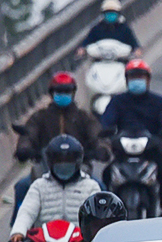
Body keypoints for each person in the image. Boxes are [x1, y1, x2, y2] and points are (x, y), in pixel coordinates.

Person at [11, 135, 104, 242]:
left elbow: (98, 218)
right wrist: (18, 232)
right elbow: (27, 212)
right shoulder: (39, 186)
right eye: (59, 160)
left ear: (78, 161)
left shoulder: (90, 186)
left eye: (68, 160)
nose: (64, 164)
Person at [98, 60, 162, 213]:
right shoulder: (117, 101)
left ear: (148, 79)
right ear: (127, 80)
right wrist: (105, 132)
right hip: (124, 151)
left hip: (151, 150)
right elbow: (106, 121)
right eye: (133, 77)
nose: (137, 80)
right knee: (106, 174)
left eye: (140, 77)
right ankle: (107, 210)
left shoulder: (160, 102)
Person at [14, 72, 102, 207]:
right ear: (51, 93)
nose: (63, 94)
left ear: (73, 93)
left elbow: (96, 135)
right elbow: (29, 134)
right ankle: (17, 226)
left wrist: (101, 149)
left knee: (102, 189)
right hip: (46, 169)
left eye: (66, 91)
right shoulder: (40, 117)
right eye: (59, 91)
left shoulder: (84, 117)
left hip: (80, 169)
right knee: (21, 187)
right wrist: (24, 148)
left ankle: (106, 225)